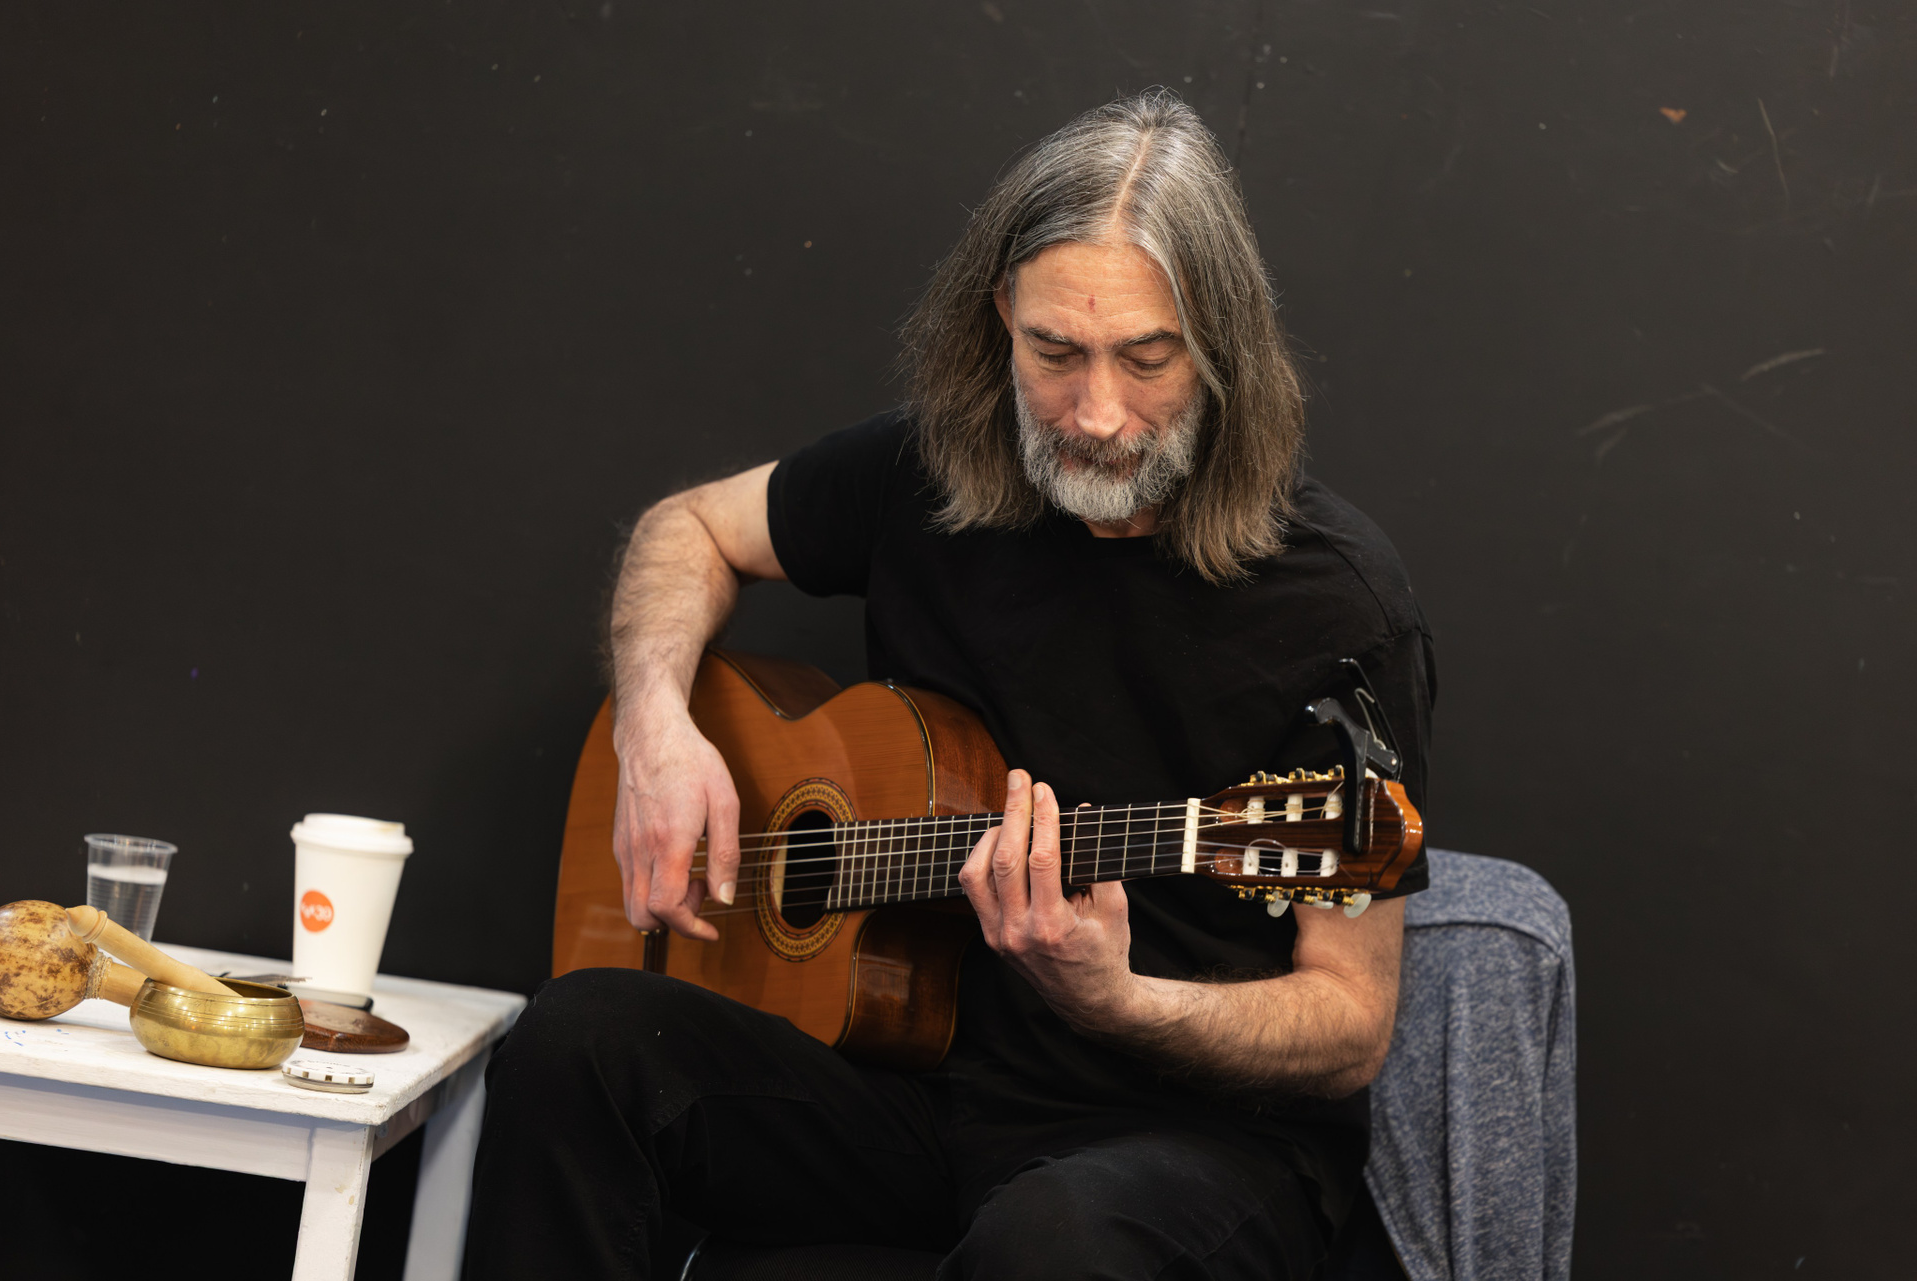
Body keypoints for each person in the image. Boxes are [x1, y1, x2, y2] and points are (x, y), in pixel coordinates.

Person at [465, 89, 1436, 1280]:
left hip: (1190, 1138)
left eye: (1147, 358)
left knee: (1056, 1242)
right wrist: (656, 732)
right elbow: (689, 529)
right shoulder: (931, 474)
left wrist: (1117, 1000)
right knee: (577, 1040)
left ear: (1222, 343)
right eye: (1054, 353)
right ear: (999, 319)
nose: (1098, 415)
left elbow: (1350, 1025)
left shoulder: (1338, 604)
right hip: (917, 1086)